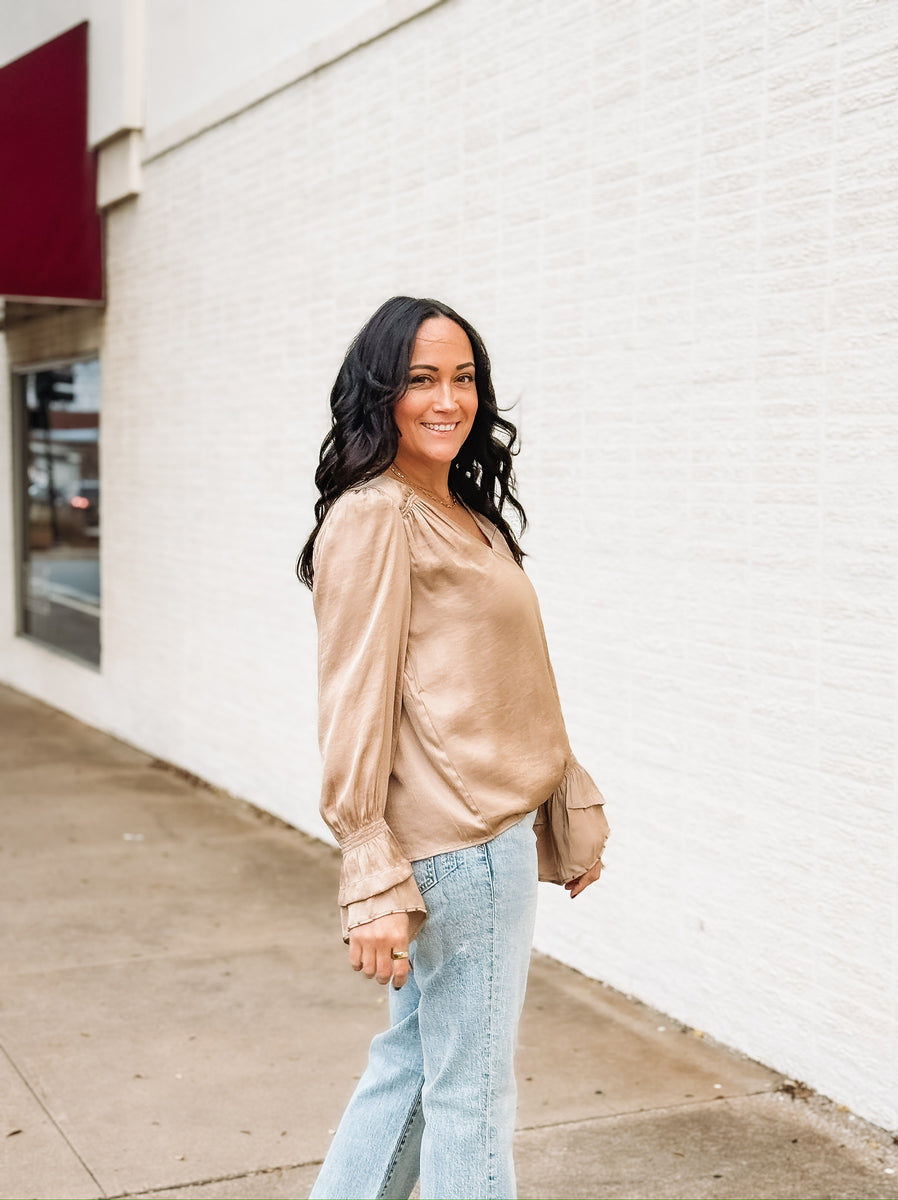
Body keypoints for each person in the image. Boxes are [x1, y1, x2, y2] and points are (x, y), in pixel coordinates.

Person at [298, 296, 609, 1200]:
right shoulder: (376, 516)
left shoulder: (464, 513)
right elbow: (354, 703)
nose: (448, 400)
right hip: (460, 847)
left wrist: (566, 806)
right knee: (470, 1093)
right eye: (421, 379)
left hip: (484, 835)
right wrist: (368, 871)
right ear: (380, 393)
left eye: (464, 378)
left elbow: (506, 680)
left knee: (415, 1071)